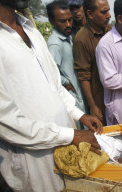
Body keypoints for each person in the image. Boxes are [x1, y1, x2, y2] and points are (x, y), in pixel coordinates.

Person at [0, 0, 103, 191]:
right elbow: (1, 120)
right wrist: (68, 135)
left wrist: (78, 115)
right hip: (34, 163)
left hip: (67, 148)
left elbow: (54, 85)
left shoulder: (30, 29)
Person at [47, 0, 86, 130]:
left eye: (70, 20)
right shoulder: (55, 44)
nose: (68, 24)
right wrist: (66, 82)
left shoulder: (68, 37)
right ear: (52, 21)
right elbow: (50, 72)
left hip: (78, 93)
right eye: (63, 21)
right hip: (71, 95)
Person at [73, 0, 111, 126]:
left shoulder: (111, 31)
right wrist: (93, 106)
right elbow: (84, 76)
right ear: (90, 14)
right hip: (100, 99)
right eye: (104, 12)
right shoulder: (82, 39)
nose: (109, 15)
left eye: (108, 11)